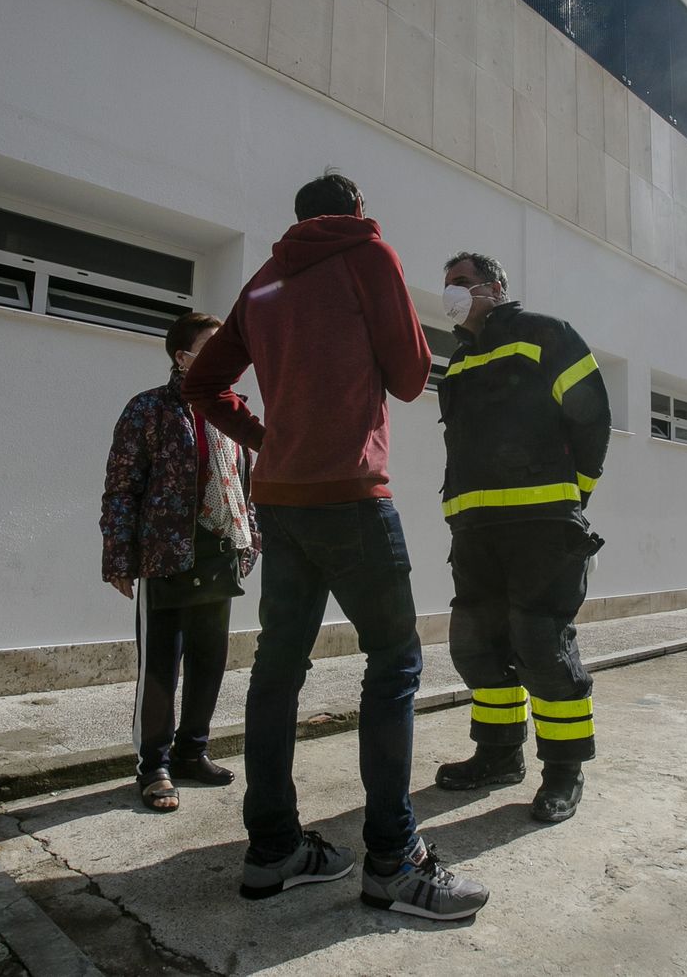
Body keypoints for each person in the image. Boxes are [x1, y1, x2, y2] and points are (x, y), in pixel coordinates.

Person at [184, 172, 489, 921]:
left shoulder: (262, 281)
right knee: (394, 663)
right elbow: (414, 378)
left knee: (276, 671)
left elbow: (205, 382)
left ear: (296, 220)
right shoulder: (368, 254)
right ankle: (393, 860)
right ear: (353, 211)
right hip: (351, 498)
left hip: (282, 506)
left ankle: (274, 849)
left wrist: (270, 439)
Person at [431, 252, 610, 825]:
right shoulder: (457, 363)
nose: (453, 293)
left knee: (540, 645)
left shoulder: (545, 335)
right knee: (475, 646)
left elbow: (591, 418)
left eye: (462, 282)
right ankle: (498, 755)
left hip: (542, 527)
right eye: (448, 286)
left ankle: (563, 771)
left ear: (495, 286)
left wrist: (572, 495)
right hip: (476, 530)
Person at [100, 312, 259, 813]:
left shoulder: (231, 412)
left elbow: (244, 484)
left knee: (210, 661)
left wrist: (250, 538)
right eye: (210, 346)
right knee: (161, 666)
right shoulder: (149, 409)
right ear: (182, 356)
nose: (222, 356)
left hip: (219, 548)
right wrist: (118, 555)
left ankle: (193, 753)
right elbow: (123, 487)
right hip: (166, 552)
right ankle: (155, 766)